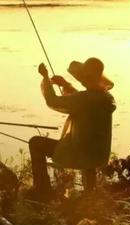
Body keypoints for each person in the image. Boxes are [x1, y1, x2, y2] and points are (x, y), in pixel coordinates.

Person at [29, 57, 116, 199]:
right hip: (98, 153)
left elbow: (53, 100)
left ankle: (42, 190)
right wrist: (65, 84)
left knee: (35, 143)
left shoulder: (82, 99)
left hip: (78, 152)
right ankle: (90, 192)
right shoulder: (107, 98)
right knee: (89, 147)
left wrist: (45, 77)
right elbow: (83, 98)